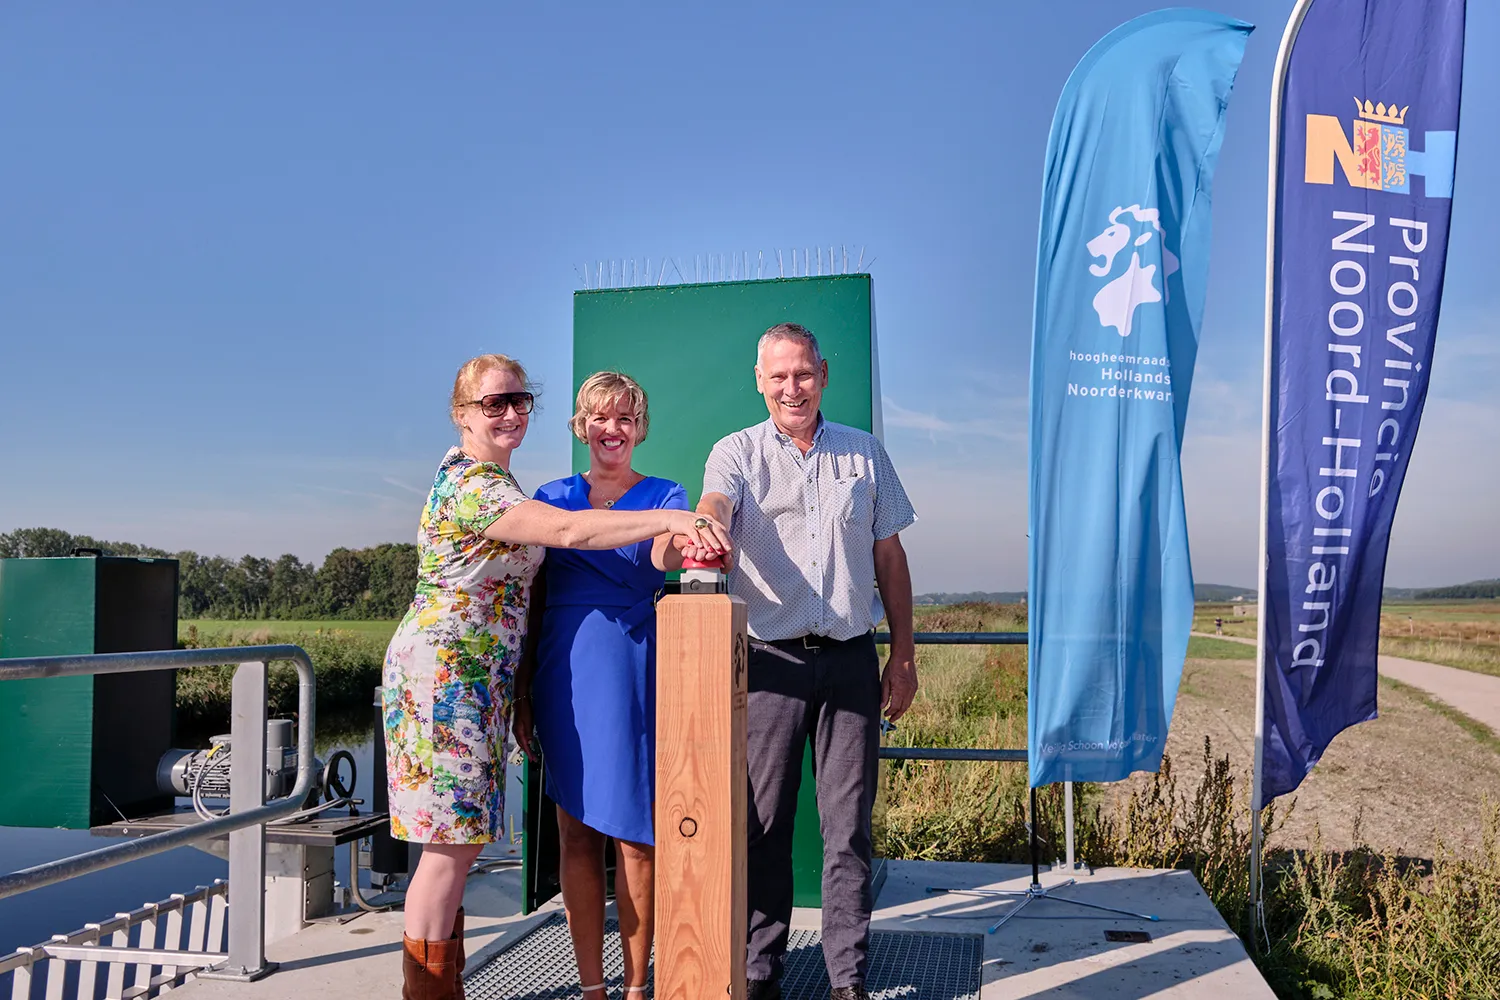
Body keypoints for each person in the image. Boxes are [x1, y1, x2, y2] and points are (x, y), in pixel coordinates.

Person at [383, 354, 729, 1000]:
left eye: (519, 401)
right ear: (462, 414)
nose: (510, 412)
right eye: (494, 404)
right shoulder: (481, 488)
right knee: (450, 850)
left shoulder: (503, 485)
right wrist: (674, 520)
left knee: (465, 847)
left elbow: (647, 556)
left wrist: (691, 526)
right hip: (449, 680)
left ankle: (603, 984)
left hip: (488, 681)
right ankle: (434, 991)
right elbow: (568, 534)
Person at [680, 323, 919, 1000]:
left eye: (803, 374)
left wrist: (902, 655)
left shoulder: (865, 455)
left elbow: (890, 559)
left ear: (824, 374)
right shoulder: (736, 452)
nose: (792, 388)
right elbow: (716, 501)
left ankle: (849, 983)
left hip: (848, 662)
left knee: (847, 834)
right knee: (763, 828)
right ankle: (760, 977)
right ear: (759, 380)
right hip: (769, 664)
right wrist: (708, 523)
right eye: (778, 376)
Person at [511, 371, 688, 999]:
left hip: (637, 667)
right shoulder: (551, 495)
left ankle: (637, 988)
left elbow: (667, 555)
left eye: (624, 418)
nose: (611, 430)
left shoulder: (668, 493)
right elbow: (531, 598)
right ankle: (592, 988)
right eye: (599, 418)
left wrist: (683, 533)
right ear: (581, 425)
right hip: (563, 671)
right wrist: (523, 689)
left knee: (638, 836)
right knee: (576, 832)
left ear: (639, 428)